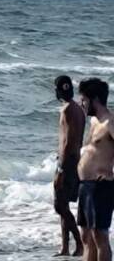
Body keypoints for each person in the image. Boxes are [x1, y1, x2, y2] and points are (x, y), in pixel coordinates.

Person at [77, 78, 114, 261]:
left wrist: (110, 174)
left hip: (101, 187)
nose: (81, 103)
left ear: (95, 99)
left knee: (100, 236)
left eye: (84, 99)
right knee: (86, 236)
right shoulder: (93, 122)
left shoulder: (110, 122)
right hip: (86, 185)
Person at [55, 75, 86, 256]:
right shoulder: (79, 109)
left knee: (60, 206)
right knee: (64, 205)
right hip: (75, 160)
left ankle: (79, 244)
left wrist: (60, 169)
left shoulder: (66, 110)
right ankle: (65, 247)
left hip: (66, 162)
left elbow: (67, 142)